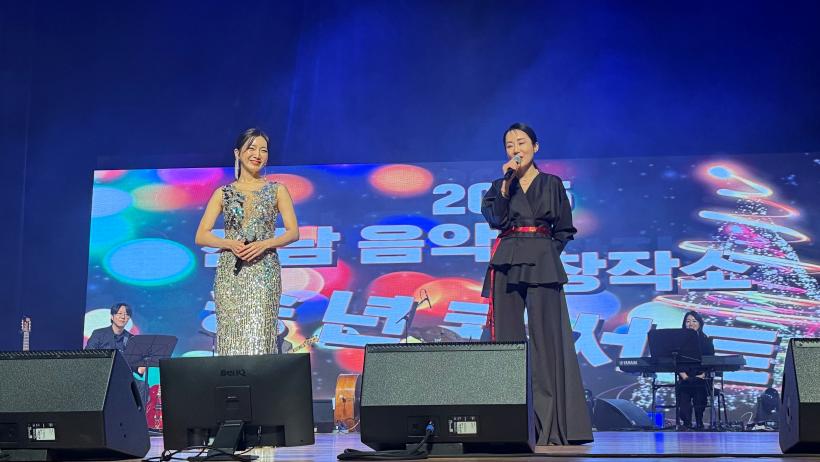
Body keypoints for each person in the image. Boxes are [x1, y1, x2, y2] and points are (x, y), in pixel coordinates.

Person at [481, 123, 593, 445]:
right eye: (509, 144)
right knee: (507, 341)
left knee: (548, 341)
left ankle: (552, 425)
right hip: (507, 261)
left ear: (535, 146)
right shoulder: (499, 185)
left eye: (521, 142)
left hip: (542, 263)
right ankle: (510, 424)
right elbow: (495, 219)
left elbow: (565, 229)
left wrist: (546, 253)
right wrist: (506, 186)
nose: (516, 149)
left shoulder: (552, 183)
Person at [195, 128, 299, 355]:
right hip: (231, 274)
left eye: (263, 150)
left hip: (264, 273)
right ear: (237, 153)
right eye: (251, 148)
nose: (257, 155)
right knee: (231, 339)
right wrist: (230, 244)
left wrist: (265, 244)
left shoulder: (277, 190)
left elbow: (293, 232)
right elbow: (202, 235)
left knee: (261, 338)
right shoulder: (223, 193)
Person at [86, 302, 148, 404]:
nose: (123, 317)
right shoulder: (99, 334)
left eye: (127, 314)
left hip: (123, 378)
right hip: (102, 376)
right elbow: (89, 356)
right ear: (112, 316)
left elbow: (134, 365)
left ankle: (138, 413)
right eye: (120, 314)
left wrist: (140, 367)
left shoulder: (132, 339)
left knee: (142, 386)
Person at [676, 310, 715, 429]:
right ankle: (686, 423)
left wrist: (702, 375)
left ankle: (699, 421)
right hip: (684, 377)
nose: (691, 324)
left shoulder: (706, 341)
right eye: (688, 321)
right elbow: (676, 361)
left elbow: (711, 361)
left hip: (702, 378)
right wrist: (684, 376)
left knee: (699, 392)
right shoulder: (679, 341)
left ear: (700, 323)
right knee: (684, 396)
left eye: (694, 321)